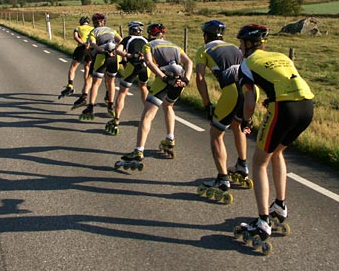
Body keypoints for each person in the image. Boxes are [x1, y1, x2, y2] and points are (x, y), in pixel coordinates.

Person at [235, 23, 314, 241]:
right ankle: (280, 206)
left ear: (249, 44)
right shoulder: (281, 56)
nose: (240, 47)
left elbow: (249, 99)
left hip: (283, 108)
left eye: (241, 43)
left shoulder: (246, 63)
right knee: (277, 153)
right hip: (307, 105)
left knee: (260, 162)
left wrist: (246, 120)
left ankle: (262, 221)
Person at [119, 23, 192, 165]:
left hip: (164, 79)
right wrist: (186, 79)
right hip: (180, 79)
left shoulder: (149, 45)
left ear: (149, 34)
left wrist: (163, 77)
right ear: (163, 34)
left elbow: (148, 61)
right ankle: (170, 139)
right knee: (169, 106)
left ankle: (138, 150)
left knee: (147, 115)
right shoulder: (175, 46)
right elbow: (189, 61)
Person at [194, 20, 251, 199]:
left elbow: (200, 78)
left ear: (205, 36)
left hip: (231, 91)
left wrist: (206, 104)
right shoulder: (235, 46)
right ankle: (242, 165)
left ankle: (222, 178)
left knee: (216, 134)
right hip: (249, 90)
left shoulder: (204, 50)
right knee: (237, 125)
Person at [105, 21, 150, 135]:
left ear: (131, 30)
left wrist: (127, 55)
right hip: (145, 66)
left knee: (123, 92)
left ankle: (116, 119)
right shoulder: (146, 40)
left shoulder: (127, 39)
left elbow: (118, 50)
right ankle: (148, 116)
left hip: (132, 65)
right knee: (143, 87)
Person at [79, 13, 122, 120]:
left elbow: (92, 45)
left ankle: (90, 107)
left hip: (101, 56)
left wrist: (100, 51)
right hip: (114, 56)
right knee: (111, 82)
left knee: (96, 83)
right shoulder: (112, 30)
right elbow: (121, 40)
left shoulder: (93, 31)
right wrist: (115, 49)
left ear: (93, 23)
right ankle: (110, 105)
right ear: (104, 22)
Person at [61, 16, 93, 108]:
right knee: (87, 67)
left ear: (81, 22)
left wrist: (82, 43)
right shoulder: (92, 29)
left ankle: (70, 85)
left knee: (73, 68)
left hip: (81, 48)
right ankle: (85, 88)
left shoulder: (78, 28)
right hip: (90, 49)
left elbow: (75, 37)